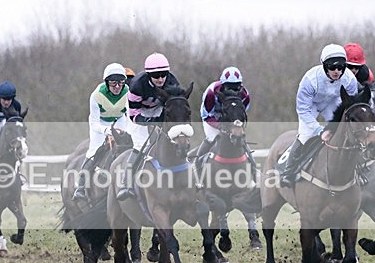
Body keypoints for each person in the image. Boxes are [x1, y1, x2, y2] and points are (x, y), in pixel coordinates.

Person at [279, 44, 361, 188]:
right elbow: (303, 110)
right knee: (306, 134)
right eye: (332, 67)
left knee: (343, 132)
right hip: (312, 105)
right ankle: (288, 172)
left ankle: (358, 169)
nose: (337, 71)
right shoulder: (310, 80)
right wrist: (319, 131)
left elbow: (350, 106)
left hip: (333, 103)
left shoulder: (349, 79)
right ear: (324, 65)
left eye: (341, 67)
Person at [116, 52, 182, 201]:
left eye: (163, 74)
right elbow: (134, 115)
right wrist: (151, 122)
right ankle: (125, 184)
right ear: (149, 75)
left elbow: (173, 106)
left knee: (178, 138)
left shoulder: (172, 82)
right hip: (138, 110)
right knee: (141, 145)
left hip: (159, 108)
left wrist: (163, 120)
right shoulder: (137, 85)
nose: (160, 79)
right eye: (156, 75)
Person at [73, 63, 130, 201]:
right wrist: (107, 131)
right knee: (93, 150)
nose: (117, 87)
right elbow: (94, 123)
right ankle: (80, 187)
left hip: (120, 120)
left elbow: (129, 115)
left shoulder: (128, 91)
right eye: (113, 83)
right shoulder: (96, 95)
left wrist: (125, 129)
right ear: (107, 82)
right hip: (100, 123)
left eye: (120, 83)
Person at [195, 66, 255, 177]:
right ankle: (198, 165)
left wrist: (235, 126)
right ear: (223, 85)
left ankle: (254, 172)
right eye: (229, 87)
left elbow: (242, 114)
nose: (232, 91)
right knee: (212, 138)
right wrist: (220, 127)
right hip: (212, 117)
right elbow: (207, 116)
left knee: (242, 141)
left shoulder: (245, 95)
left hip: (230, 118)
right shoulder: (211, 93)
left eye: (236, 87)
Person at [345, 42, 375, 175]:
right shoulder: (336, 73)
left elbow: (369, 96)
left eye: (357, 67)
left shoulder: (366, 75)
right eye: (350, 67)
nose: (354, 70)